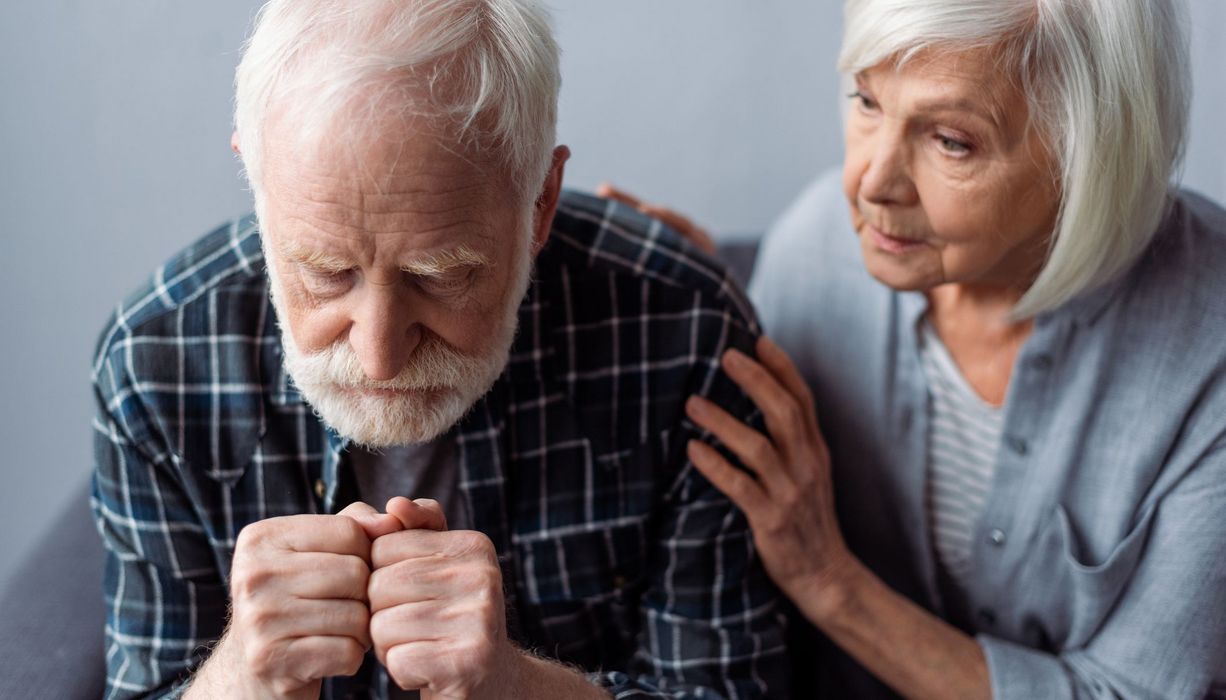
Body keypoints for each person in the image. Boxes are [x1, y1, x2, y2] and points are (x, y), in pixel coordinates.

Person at [89, 1, 790, 697]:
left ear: (539, 203)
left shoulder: (683, 333)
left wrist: (517, 686)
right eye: (325, 272)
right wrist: (242, 678)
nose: (379, 357)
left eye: (441, 276)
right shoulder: (155, 367)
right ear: (258, 185)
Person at [604, 0, 1226, 697]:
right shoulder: (813, 247)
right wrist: (692, 286)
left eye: (951, 141)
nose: (870, 183)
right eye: (867, 101)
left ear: (1092, 152)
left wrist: (830, 584)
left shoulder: (1210, 350)